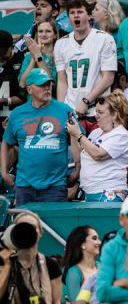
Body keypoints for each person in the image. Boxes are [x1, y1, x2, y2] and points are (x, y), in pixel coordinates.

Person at [2, 70, 76, 205]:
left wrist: (77, 170)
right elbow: (7, 143)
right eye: (42, 85)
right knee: (25, 226)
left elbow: (78, 140)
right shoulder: (17, 113)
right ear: (29, 89)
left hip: (55, 186)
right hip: (24, 186)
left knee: (54, 226)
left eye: (49, 84)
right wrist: (4, 172)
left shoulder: (65, 110)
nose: (47, 87)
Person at [54, 0, 117, 116]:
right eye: (72, 13)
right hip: (71, 111)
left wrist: (86, 101)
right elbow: (62, 81)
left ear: (89, 15)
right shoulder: (60, 44)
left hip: (97, 110)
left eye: (80, 12)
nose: (76, 15)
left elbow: (108, 78)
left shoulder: (104, 39)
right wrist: (61, 109)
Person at [67, 92, 128, 202]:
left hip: (109, 194)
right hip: (89, 193)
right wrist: (73, 134)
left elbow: (98, 154)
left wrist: (79, 135)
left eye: (100, 112)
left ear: (114, 114)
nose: (96, 115)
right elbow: (78, 157)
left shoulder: (121, 134)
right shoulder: (96, 132)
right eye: (96, 111)